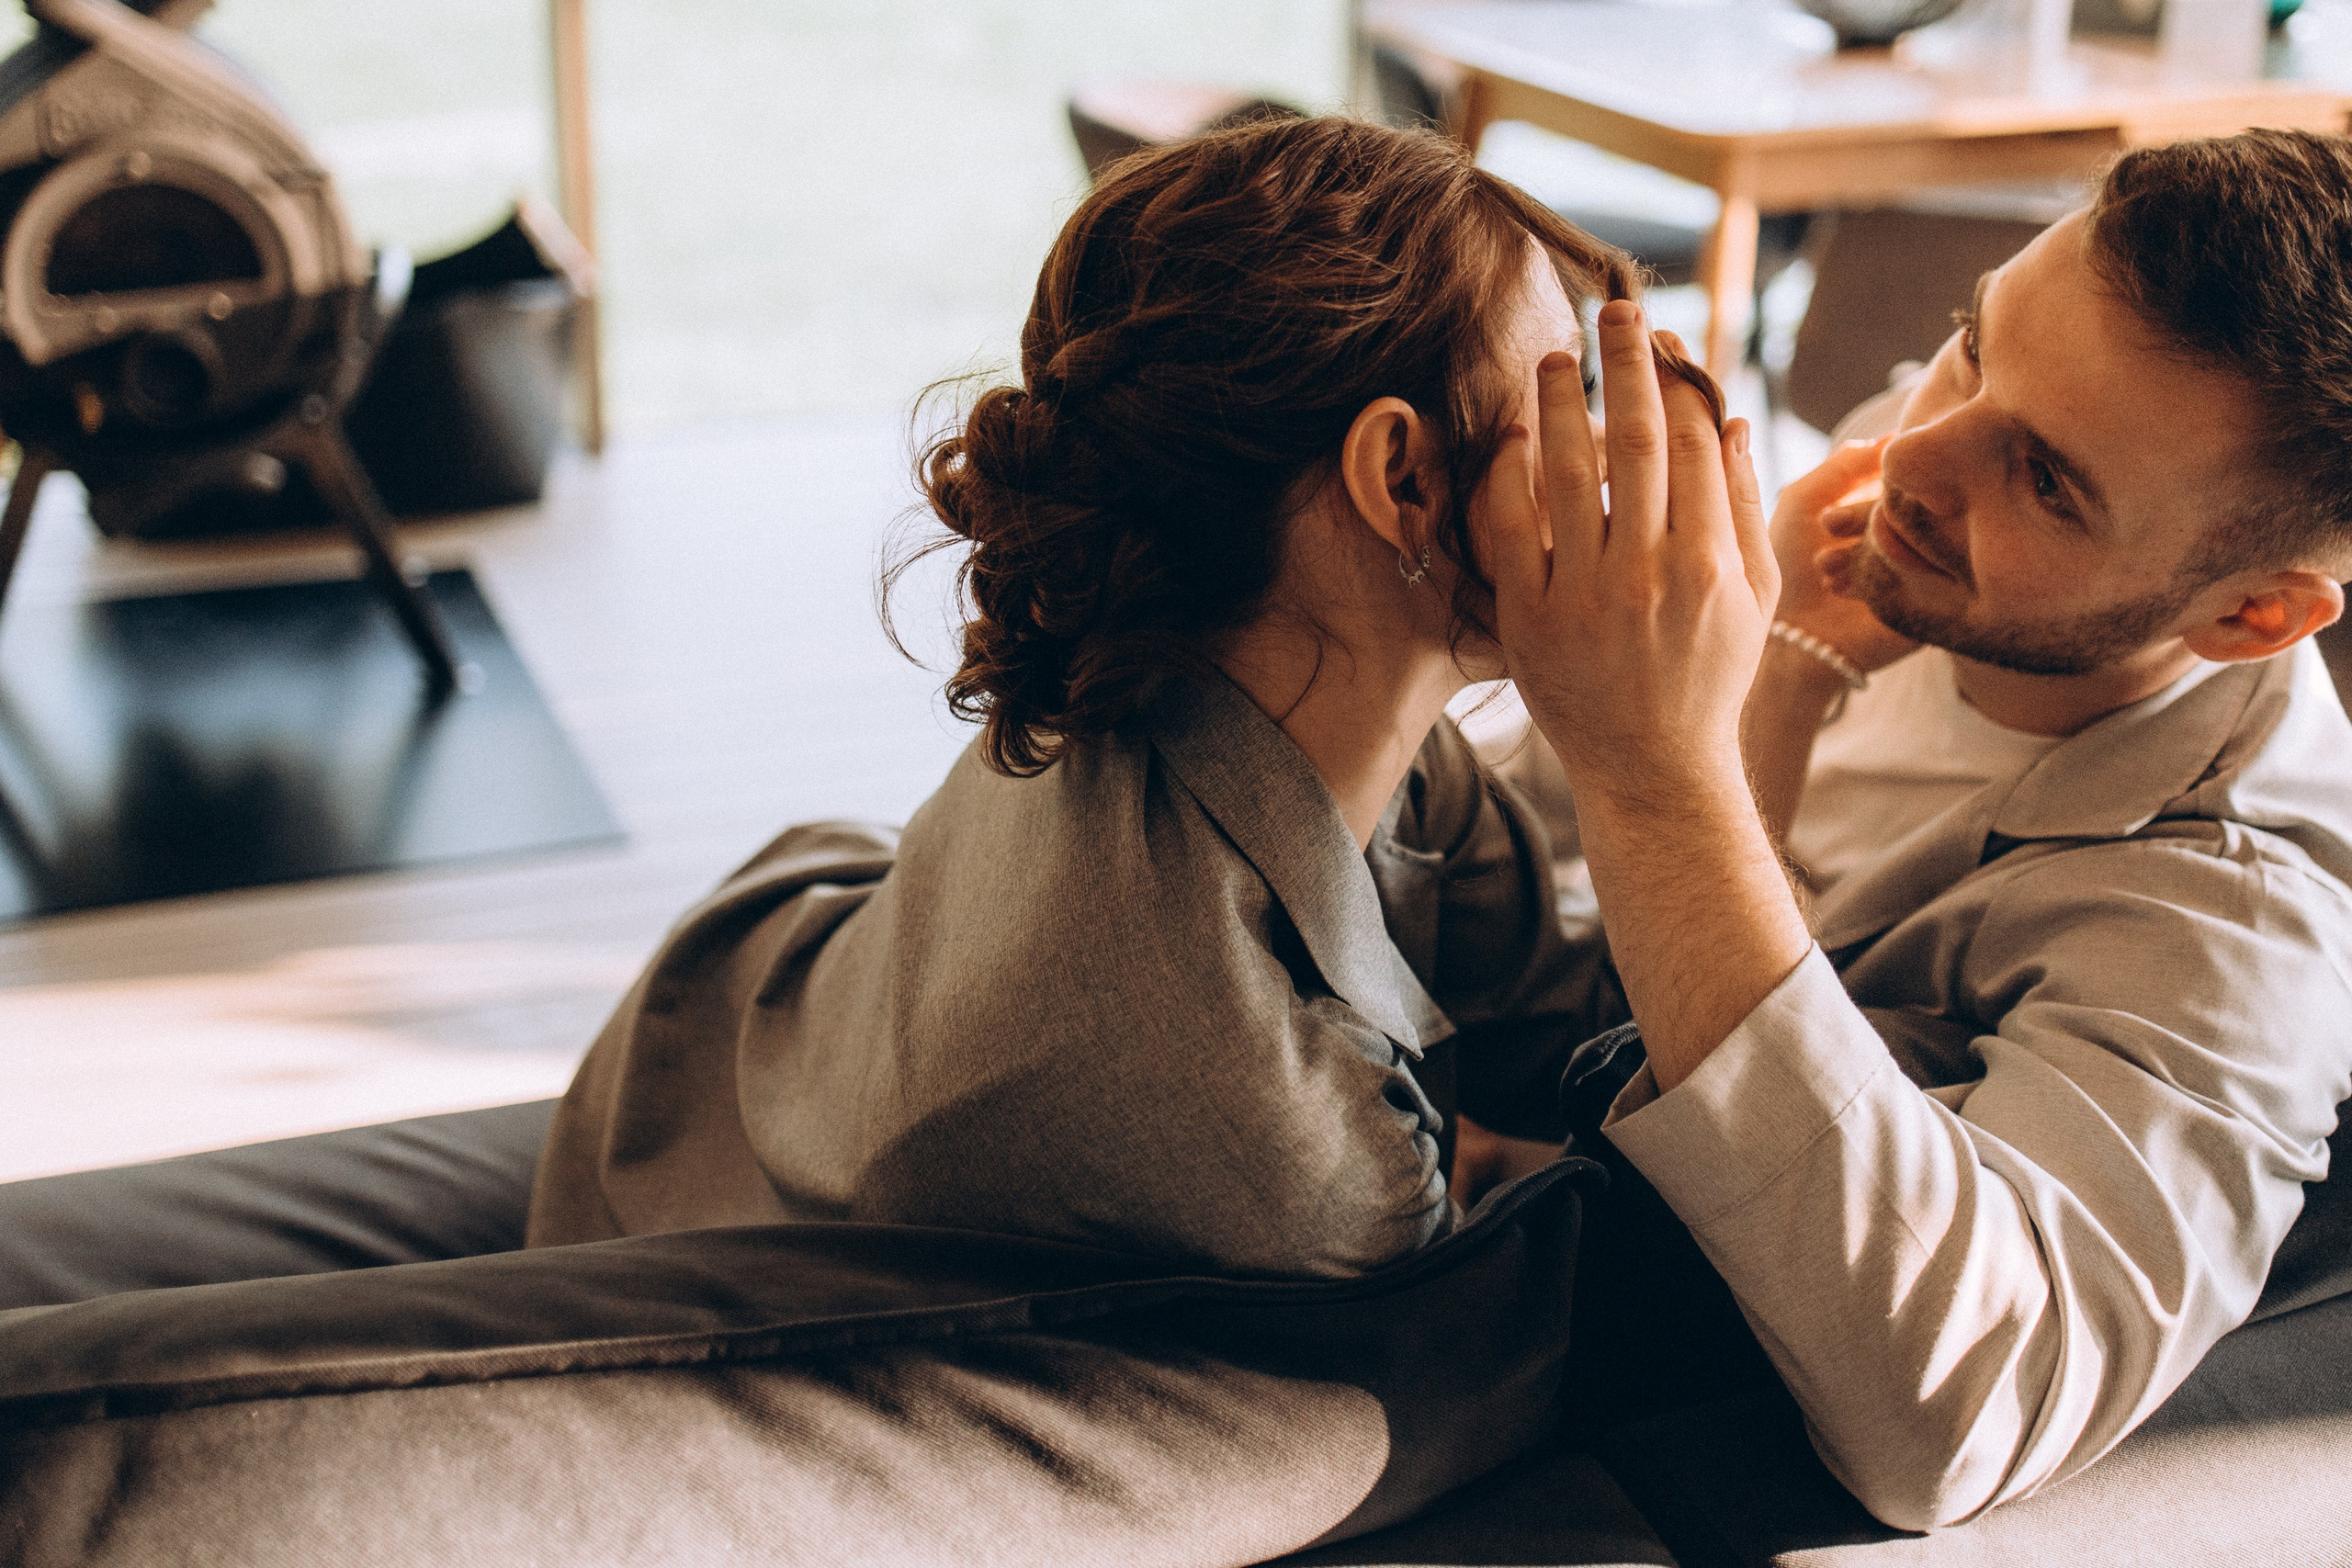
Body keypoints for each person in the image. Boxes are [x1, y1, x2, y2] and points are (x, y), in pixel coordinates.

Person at [526, 115, 1737, 1277]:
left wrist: (1759, 694)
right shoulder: (1270, 1125)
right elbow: (1685, 1267)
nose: (1604, 458)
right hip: (668, 1204)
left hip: (756, 1032)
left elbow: (1581, 1037)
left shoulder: (1272, 699)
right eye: (1566, 398)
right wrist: (1675, 753)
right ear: (1402, 480)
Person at [1481, 128, 2352, 1529]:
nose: (1910, 453)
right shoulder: (1930, 484)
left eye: (2048, 481)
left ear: (2252, 616)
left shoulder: (2239, 930)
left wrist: (1673, 764)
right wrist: (1767, 687)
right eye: (1970, 341)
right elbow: (1521, 838)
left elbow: (1957, 1410)